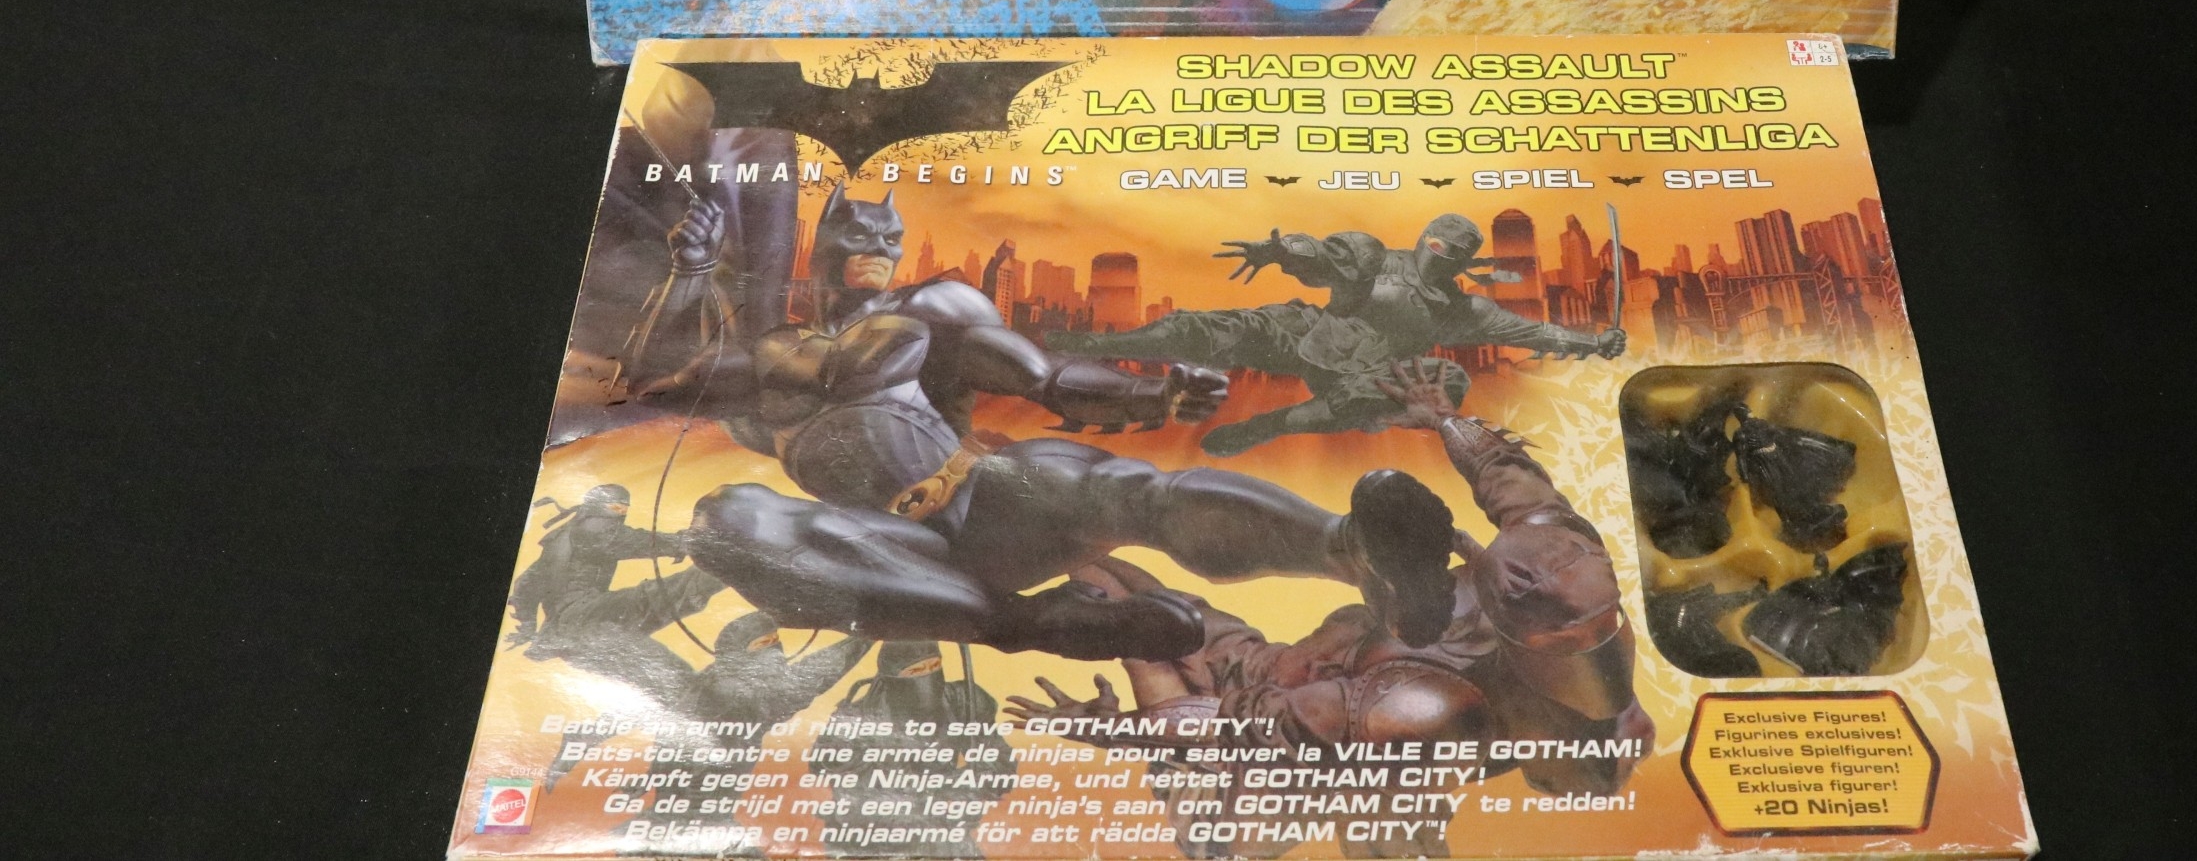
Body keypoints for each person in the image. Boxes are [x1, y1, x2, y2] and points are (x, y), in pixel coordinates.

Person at [618, 187, 1465, 662]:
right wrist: (690, 268)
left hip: (984, 504)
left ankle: (1358, 549)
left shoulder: (933, 306)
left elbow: (1046, 376)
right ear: (823, 245)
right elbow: (656, 380)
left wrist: (1153, 395)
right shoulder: (763, 356)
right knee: (726, 518)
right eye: (856, 228)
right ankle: (1041, 625)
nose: (874, 238)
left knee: (1090, 479)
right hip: (881, 550)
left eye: (889, 230)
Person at [1005, 362, 1653, 859]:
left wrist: (1111, 729)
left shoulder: (1426, 711)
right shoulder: (1563, 556)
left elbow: (1231, 725)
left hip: (1231, 787)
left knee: (1135, 616)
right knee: (1108, 564)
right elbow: (1499, 464)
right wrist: (1441, 416)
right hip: (1281, 676)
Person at [1049, 215, 1625, 455]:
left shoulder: (1463, 310)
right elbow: (1323, 258)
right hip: (1309, 336)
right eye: (1433, 243)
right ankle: (1093, 347)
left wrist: (1594, 342)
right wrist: (1281, 251)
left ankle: (1272, 425)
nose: (1436, 255)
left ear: (1461, 260)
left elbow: (1534, 331)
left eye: (1449, 252)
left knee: (1446, 378)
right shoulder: (1378, 260)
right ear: (1424, 240)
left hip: (1365, 377)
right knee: (1212, 326)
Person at [506, 484, 725, 654]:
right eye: (616, 508)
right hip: (583, 614)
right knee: (648, 596)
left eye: (624, 509)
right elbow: (634, 541)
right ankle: (727, 571)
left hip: (566, 623)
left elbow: (525, 583)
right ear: (597, 506)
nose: (621, 514)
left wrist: (527, 624)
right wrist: (684, 542)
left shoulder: (565, 534)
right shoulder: (593, 530)